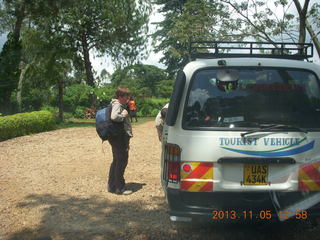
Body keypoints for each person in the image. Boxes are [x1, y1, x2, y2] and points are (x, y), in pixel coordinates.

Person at [107, 86, 133, 195]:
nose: (128, 99)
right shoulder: (117, 104)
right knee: (122, 161)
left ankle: (112, 185)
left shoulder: (114, 104)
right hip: (119, 138)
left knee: (117, 160)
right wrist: (123, 114)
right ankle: (119, 188)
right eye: (126, 97)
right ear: (120, 96)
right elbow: (114, 117)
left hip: (115, 137)